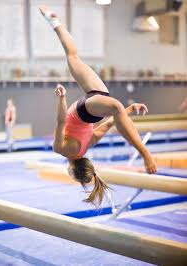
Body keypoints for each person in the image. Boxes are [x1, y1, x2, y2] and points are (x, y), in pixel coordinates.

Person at [39, 6, 157, 206]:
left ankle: (55, 23)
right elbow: (60, 121)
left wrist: (128, 110)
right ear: (72, 172)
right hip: (86, 108)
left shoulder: (86, 146)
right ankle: (146, 154)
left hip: (95, 101)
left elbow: (111, 122)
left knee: (73, 57)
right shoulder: (61, 149)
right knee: (74, 58)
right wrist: (62, 98)